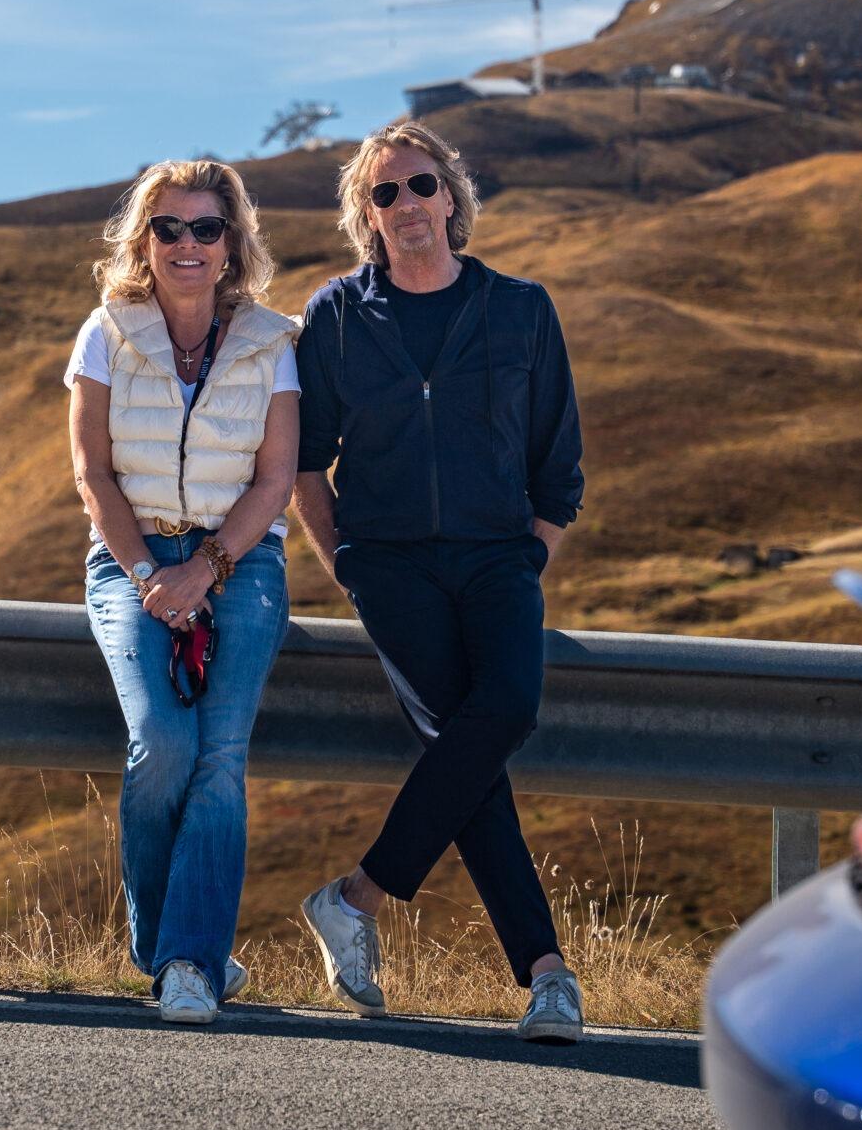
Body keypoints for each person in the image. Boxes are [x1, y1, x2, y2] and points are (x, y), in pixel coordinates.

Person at [291, 120, 587, 1045]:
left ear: (450, 198)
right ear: (363, 215)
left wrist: (530, 549)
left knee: (501, 712)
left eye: (419, 186)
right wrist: (344, 560)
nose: (405, 205)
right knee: (475, 757)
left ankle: (355, 897)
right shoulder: (335, 316)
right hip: (390, 567)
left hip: (499, 558)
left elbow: (557, 459)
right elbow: (305, 465)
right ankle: (546, 976)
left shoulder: (521, 309)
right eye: (383, 194)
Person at [67, 159, 298, 1026]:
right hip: (129, 559)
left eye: (206, 228)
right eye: (169, 228)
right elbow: (91, 472)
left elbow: (275, 480)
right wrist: (146, 576)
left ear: (231, 241)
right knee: (161, 741)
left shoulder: (276, 342)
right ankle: (165, 948)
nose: (187, 244)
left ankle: (188, 965)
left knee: (218, 758)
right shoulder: (105, 332)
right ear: (145, 239)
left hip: (242, 562)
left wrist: (205, 569)